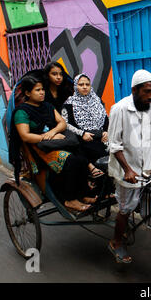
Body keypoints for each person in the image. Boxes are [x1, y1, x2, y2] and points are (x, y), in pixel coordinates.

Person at [107, 69, 151, 263]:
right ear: (135, 90)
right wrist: (128, 170)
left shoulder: (148, 105)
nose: (150, 95)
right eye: (146, 91)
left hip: (147, 162)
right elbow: (114, 145)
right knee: (125, 208)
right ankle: (116, 242)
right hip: (126, 168)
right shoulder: (119, 109)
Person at [8, 75, 94, 212]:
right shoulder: (21, 112)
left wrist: (52, 133)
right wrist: (47, 138)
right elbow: (25, 136)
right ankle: (70, 200)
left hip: (54, 141)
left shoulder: (47, 105)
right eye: (37, 90)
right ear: (27, 93)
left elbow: (62, 123)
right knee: (71, 160)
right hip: (38, 149)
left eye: (42, 89)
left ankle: (83, 195)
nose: (42, 92)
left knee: (82, 157)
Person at [61, 73, 108, 178]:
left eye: (87, 84)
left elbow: (105, 118)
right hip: (82, 139)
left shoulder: (97, 101)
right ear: (75, 86)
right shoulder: (69, 104)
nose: (85, 87)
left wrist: (106, 132)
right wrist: (82, 133)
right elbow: (66, 124)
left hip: (101, 137)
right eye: (81, 84)